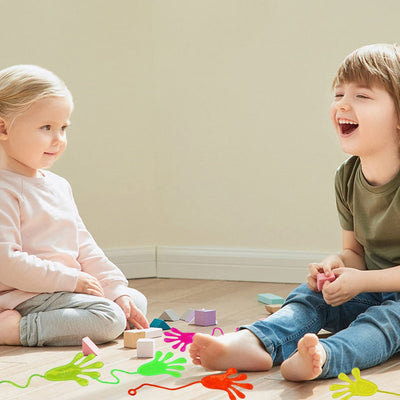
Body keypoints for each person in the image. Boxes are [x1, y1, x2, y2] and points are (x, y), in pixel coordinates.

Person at [189, 43, 400, 380]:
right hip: (369, 287)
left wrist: (362, 281)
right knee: (309, 296)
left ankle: (325, 357)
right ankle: (257, 342)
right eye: (339, 94)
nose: (343, 103)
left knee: (388, 320)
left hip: (390, 297)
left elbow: (369, 277)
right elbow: (355, 253)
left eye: (362, 96)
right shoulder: (346, 177)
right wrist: (336, 265)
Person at [0, 65, 149, 347]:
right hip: (23, 295)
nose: (59, 139)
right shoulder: (4, 189)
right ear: (3, 128)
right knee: (109, 319)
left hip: (61, 290)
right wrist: (72, 280)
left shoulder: (58, 185)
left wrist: (116, 289)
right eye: (46, 128)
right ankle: (13, 330)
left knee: (132, 300)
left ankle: (106, 305)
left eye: (63, 128)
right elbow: (6, 264)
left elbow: (84, 246)